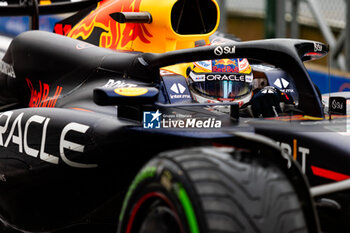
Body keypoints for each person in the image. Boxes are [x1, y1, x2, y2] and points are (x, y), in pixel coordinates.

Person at [186, 58, 294, 117]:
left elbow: (294, 105)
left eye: (235, 89)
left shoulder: (250, 108)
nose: (225, 99)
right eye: (213, 88)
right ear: (191, 83)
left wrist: (276, 95)